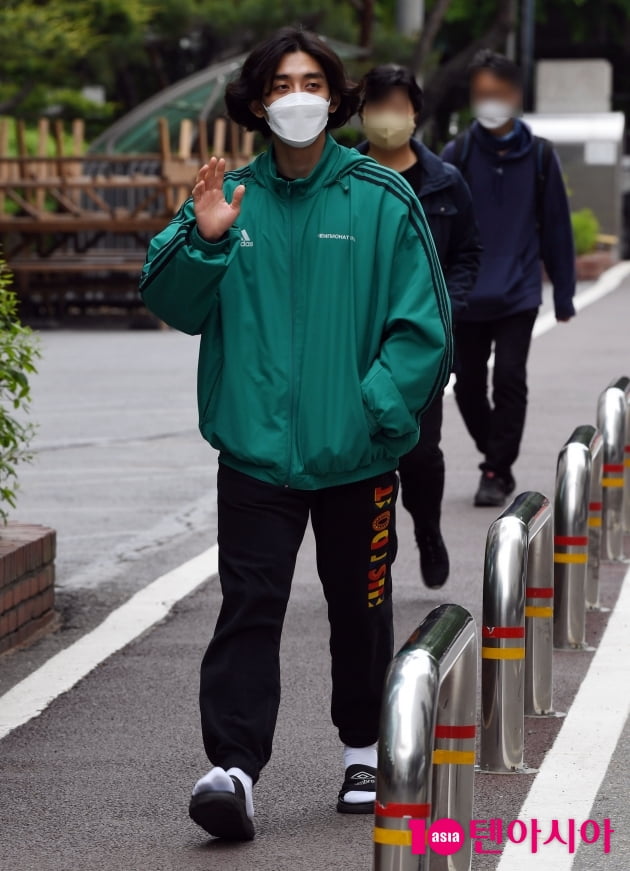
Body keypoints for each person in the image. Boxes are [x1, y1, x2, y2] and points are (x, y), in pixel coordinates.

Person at [140, 28, 452, 842]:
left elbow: (423, 330)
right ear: (256, 102)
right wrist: (204, 240)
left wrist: (373, 412)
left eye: (313, 80)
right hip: (255, 456)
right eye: (281, 83)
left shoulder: (382, 200)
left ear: (337, 97)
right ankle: (234, 770)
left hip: (357, 456)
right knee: (250, 604)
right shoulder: (228, 198)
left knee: (360, 605)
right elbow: (174, 305)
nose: (299, 95)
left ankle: (362, 745)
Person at [357, 64, 481, 587]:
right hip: (357, 340)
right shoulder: (347, 177)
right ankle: (376, 547)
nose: (388, 116)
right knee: (363, 453)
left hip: (421, 345)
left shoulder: (444, 182)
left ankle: (427, 528)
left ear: (414, 113)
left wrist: (445, 309)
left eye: (397, 105)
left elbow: (468, 254)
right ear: (362, 114)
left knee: (420, 452)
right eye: (377, 104)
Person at [443, 50, 575, 507]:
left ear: (515, 96)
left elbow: (556, 225)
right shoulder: (457, 154)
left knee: (511, 380)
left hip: (518, 290)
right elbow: (440, 225)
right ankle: (496, 453)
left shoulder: (539, 156)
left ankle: (496, 469)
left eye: (498, 94)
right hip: (467, 290)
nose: (490, 101)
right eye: (482, 94)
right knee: (467, 385)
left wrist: (565, 294)